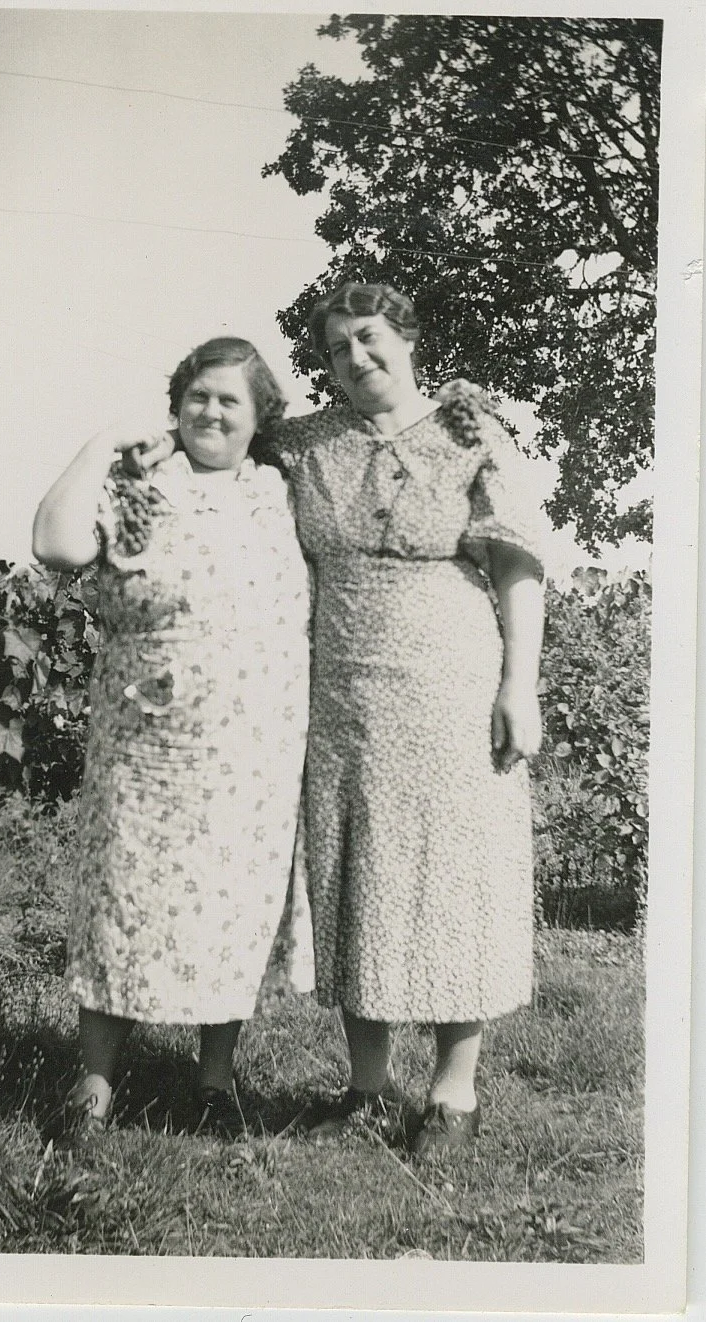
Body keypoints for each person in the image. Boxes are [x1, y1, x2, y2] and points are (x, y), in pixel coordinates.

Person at [259, 281, 546, 1157]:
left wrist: (519, 686)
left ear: (407, 338)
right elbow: (214, 439)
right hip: (341, 694)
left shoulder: (470, 432)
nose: (355, 358)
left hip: (450, 685)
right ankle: (367, 1090)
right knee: (356, 874)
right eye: (337, 348)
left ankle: (454, 1095)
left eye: (369, 337)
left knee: (456, 874)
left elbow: (516, 566)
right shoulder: (304, 445)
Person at [32, 337, 312, 1137]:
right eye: (198, 396)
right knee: (122, 898)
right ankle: (93, 1087)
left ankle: (214, 1084)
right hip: (145, 745)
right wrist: (104, 442)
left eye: (230, 400)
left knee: (232, 906)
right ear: (176, 404)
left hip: (251, 749)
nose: (211, 412)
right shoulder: (140, 482)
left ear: (259, 416)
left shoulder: (280, 491)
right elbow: (56, 545)